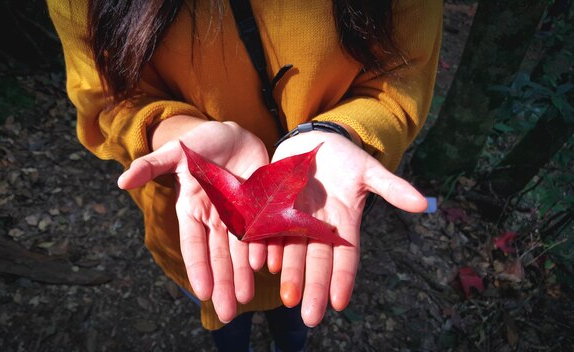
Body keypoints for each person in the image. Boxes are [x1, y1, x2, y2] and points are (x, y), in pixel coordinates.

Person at [48, 0, 442, 350]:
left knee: (293, 314)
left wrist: (339, 131)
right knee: (223, 310)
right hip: (197, 222)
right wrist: (177, 133)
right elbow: (103, 96)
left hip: (314, 214)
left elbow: (401, 76)